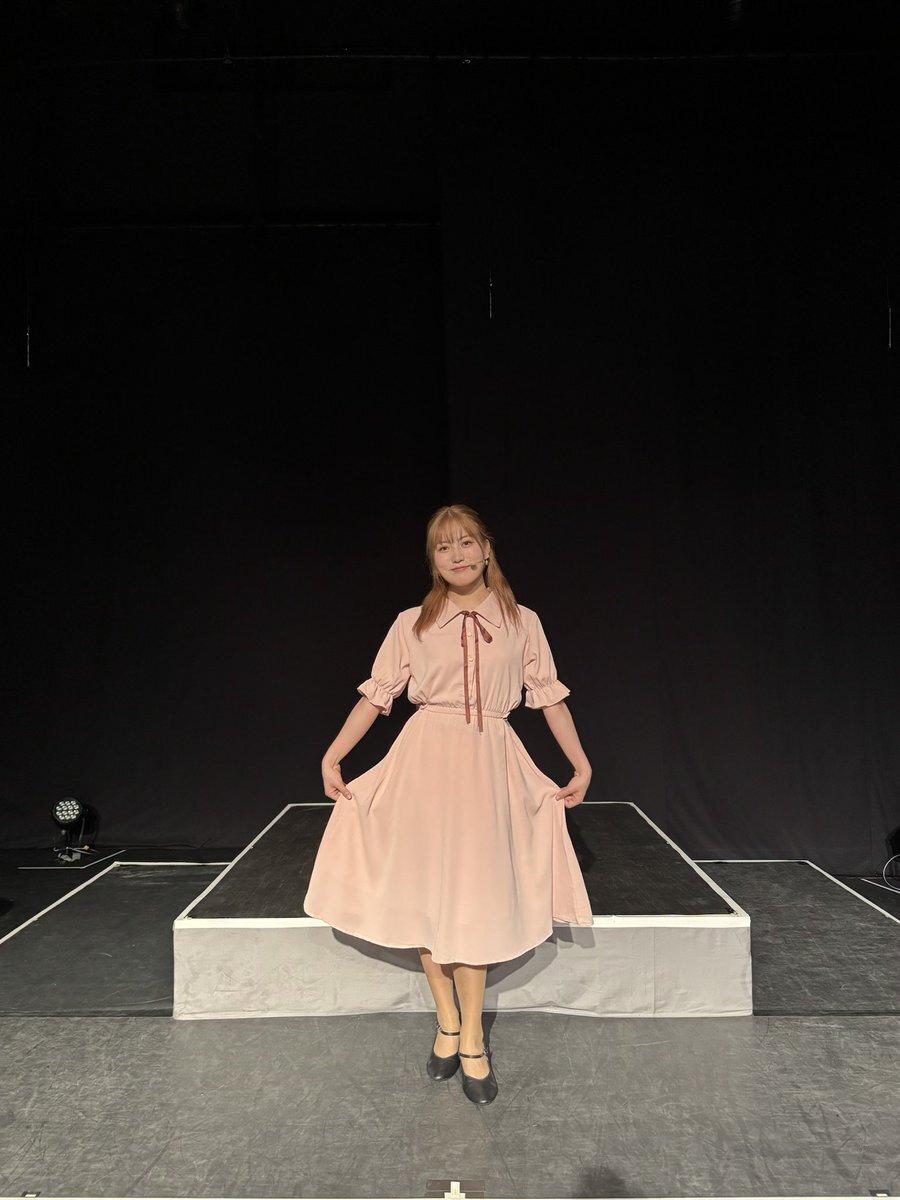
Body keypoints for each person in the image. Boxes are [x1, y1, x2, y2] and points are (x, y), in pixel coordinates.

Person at [303, 503, 593, 1105]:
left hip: (489, 763)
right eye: (443, 547)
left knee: (473, 900)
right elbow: (376, 697)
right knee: (428, 894)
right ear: (432, 561)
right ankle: (450, 1025)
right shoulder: (411, 623)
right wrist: (333, 756)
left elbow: (549, 698)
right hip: (425, 761)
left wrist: (580, 763)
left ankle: (472, 1041)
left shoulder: (523, 621)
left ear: (486, 550)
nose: (456, 555)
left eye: (466, 543)